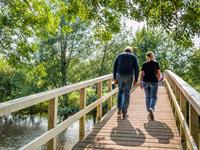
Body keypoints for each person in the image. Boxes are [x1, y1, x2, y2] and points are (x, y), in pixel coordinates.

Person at [113, 46, 139, 119]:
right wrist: (136, 80)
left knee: (120, 91)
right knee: (127, 93)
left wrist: (114, 78)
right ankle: (124, 111)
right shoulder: (133, 57)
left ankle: (119, 109)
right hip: (128, 76)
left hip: (120, 76)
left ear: (125, 50)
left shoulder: (119, 55)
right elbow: (136, 68)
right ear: (130, 51)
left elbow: (114, 67)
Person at [139, 51, 161, 120]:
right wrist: (158, 80)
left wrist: (140, 82)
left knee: (147, 97)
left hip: (145, 82)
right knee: (153, 97)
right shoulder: (156, 63)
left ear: (147, 56)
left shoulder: (144, 64)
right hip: (154, 81)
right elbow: (159, 74)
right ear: (153, 56)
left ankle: (149, 112)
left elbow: (141, 74)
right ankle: (151, 108)